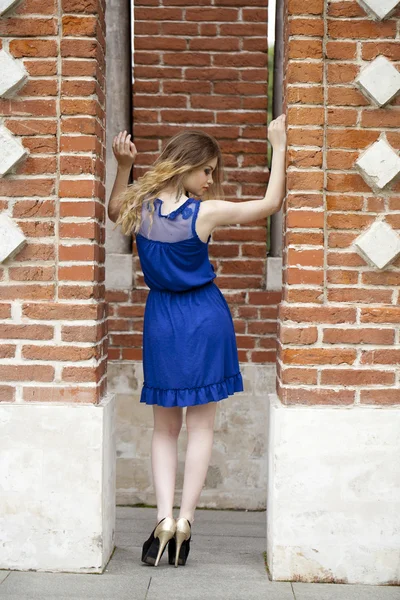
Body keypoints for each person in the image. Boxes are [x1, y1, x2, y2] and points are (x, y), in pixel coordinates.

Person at [108, 115, 287, 567]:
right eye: (207, 169)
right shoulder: (204, 213)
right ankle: (185, 523)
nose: (211, 180)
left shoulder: (140, 205)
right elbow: (269, 204)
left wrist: (123, 165)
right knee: (201, 426)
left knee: (164, 429)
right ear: (186, 165)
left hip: (162, 319)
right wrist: (278, 144)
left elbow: (113, 211)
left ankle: (163, 520)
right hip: (205, 317)